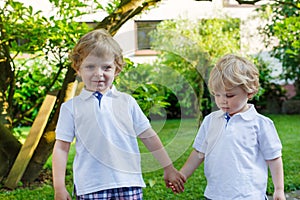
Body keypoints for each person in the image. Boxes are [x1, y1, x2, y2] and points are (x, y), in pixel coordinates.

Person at [52, 29, 185, 200]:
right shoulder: (71, 108)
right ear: (78, 68)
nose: (98, 74)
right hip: (91, 186)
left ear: (117, 69)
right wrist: (59, 187)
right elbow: (61, 148)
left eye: (106, 67)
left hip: (129, 183)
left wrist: (169, 167)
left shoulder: (127, 102)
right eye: (90, 66)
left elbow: (149, 136)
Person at [171, 54, 286, 200]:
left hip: (249, 195)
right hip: (215, 195)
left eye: (229, 96)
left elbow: (274, 158)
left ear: (249, 92)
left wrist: (279, 189)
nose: (222, 101)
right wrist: (183, 175)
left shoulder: (260, 124)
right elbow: (199, 152)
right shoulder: (210, 121)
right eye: (217, 95)